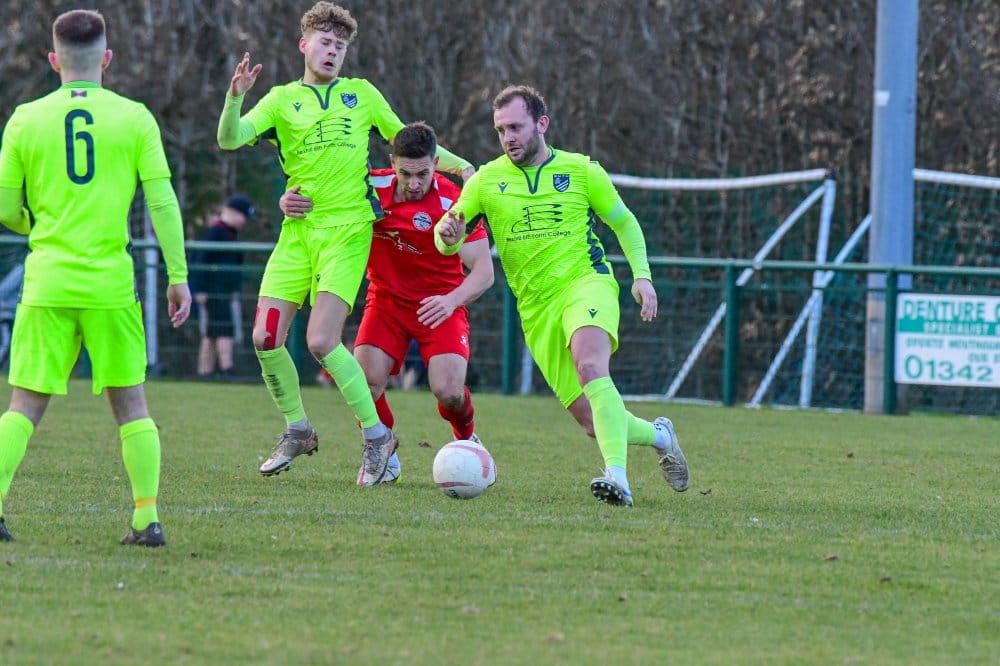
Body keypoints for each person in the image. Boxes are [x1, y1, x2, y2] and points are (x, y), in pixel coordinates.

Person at [217, 2, 474, 483]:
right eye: (325, 42)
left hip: (348, 232)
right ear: (304, 45)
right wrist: (235, 98)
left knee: (320, 340)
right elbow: (230, 139)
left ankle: (377, 437)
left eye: (340, 45)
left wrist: (462, 168)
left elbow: (410, 143)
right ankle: (298, 428)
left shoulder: (361, 94)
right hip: (298, 234)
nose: (333, 51)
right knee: (264, 337)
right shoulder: (279, 100)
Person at [435, 85, 690, 507]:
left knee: (591, 366)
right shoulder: (485, 181)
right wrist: (446, 237)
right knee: (592, 422)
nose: (508, 138)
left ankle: (617, 478)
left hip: (586, 283)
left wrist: (642, 277)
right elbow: (448, 236)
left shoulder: (581, 170)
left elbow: (625, 223)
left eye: (516, 127)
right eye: (500, 130)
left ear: (542, 124)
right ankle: (660, 436)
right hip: (536, 310)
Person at [0, 9, 191, 545]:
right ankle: (146, 519)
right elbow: (162, 202)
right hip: (110, 284)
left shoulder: (25, 118)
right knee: (132, 406)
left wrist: (36, 223)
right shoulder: (134, 118)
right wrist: (178, 275)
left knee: (23, 406)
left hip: (48, 282)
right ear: (106, 59)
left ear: (53, 60)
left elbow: (6, 206)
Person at [280, 121, 493, 485]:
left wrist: (451, 301)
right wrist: (288, 202)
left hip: (440, 304)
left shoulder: (454, 200)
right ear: (392, 163)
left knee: (448, 392)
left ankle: (468, 439)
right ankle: (384, 452)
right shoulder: (370, 190)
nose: (414, 183)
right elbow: (319, 203)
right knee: (365, 382)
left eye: (423, 174)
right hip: (386, 303)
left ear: (436, 163)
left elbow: (484, 272)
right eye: (405, 174)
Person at [190, 195, 252, 380]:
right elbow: (201, 261)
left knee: (212, 333)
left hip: (223, 293)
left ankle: (207, 371)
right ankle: (225, 369)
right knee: (222, 331)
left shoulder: (230, 234)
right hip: (213, 293)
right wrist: (200, 289)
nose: (245, 222)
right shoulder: (216, 232)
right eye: (243, 216)